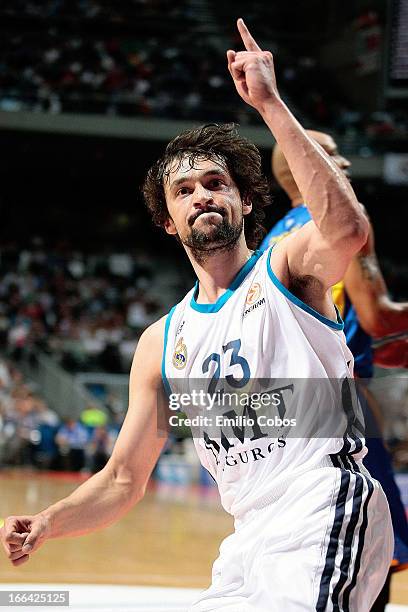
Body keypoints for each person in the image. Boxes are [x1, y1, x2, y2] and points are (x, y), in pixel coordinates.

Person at [0, 19, 393, 611]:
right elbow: (124, 479)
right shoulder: (162, 341)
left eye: (217, 183)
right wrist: (49, 522)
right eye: (185, 190)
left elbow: (348, 229)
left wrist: (269, 103)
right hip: (247, 540)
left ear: (244, 201)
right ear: (168, 220)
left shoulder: (285, 266)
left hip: (322, 504)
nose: (202, 195)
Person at [259, 130, 408, 611]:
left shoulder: (272, 239)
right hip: (340, 404)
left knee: (314, 547)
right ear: (307, 165)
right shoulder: (344, 224)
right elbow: (378, 316)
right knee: (374, 548)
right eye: (333, 155)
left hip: (282, 409)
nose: (345, 164)